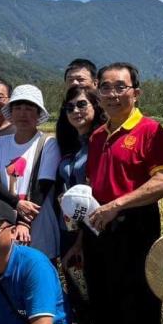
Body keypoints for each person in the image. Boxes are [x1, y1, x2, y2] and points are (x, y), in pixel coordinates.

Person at [85, 63, 163, 324]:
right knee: (105, 314)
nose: (112, 94)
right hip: (99, 235)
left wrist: (117, 205)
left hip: (135, 233)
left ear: (135, 92)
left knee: (138, 315)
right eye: (105, 88)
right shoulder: (97, 136)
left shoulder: (151, 131)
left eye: (120, 87)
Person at [0, 85, 61, 260]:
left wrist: (24, 222)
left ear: (38, 114)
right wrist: (17, 204)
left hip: (39, 226)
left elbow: (43, 186)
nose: (23, 113)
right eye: (17, 108)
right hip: (5, 223)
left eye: (29, 108)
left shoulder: (48, 144)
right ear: (11, 112)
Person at [55, 85, 106, 262]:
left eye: (82, 104)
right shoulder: (70, 145)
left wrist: (79, 243)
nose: (75, 111)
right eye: (70, 107)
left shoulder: (102, 144)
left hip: (90, 232)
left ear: (96, 106)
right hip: (67, 228)